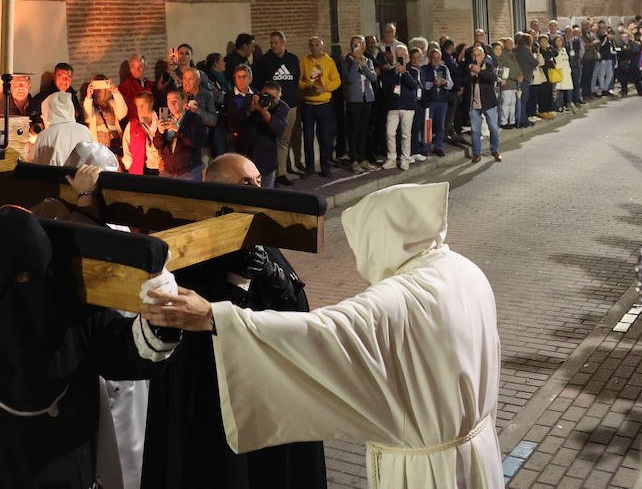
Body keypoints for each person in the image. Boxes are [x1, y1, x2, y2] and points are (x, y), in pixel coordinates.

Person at [141, 181, 501, 488]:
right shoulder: (460, 269)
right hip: (476, 450)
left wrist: (214, 317)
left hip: (429, 472)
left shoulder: (402, 296)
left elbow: (325, 334)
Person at [0, 206, 179, 489]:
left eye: (40, 274)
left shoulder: (67, 319)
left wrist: (160, 315)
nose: (31, 286)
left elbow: (125, 351)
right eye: (19, 276)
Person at [139, 155, 324, 489]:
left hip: (266, 386)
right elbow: (195, 324)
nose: (258, 189)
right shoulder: (188, 242)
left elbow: (295, 304)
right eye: (245, 183)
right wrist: (235, 283)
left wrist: (271, 273)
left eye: (257, 181)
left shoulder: (259, 231)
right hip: (212, 393)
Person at [253, 32, 303, 180]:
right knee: (277, 139)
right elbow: (259, 84)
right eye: (271, 43)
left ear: (283, 43)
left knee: (286, 139)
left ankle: (284, 169)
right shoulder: (265, 61)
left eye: (276, 42)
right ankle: (278, 173)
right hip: (273, 107)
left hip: (291, 105)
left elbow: (295, 80)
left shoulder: (292, 59)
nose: (273, 45)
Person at [297, 37, 341, 178]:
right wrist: (306, 87)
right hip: (308, 106)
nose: (314, 47)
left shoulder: (329, 62)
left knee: (325, 137)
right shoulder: (304, 61)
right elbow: (298, 80)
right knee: (308, 138)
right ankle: (310, 167)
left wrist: (325, 88)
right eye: (312, 45)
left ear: (322, 46)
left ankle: (325, 166)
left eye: (317, 45)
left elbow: (337, 81)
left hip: (324, 106)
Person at [342, 36, 379, 171]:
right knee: (354, 131)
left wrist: (363, 65)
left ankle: (363, 159)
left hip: (367, 99)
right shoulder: (347, 62)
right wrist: (357, 63)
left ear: (363, 46)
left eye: (359, 45)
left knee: (364, 131)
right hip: (354, 100)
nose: (356, 47)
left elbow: (373, 77)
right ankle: (354, 160)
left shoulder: (368, 61)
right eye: (354, 45)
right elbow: (350, 79)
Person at [154, 89, 208, 181]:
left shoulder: (194, 118)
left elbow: (198, 142)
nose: (171, 103)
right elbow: (157, 145)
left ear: (184, 102)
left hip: (189, 171)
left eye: (175, 100)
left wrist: (178, 129)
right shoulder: (165, 119)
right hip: (168, 171)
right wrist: (160, 132)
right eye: (169, 101)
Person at [381, 44, 419, 170]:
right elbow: (386, 88)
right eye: (398, 56)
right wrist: (396, 73)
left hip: (408, 106)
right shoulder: (389, 72)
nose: (400, 57)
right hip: (393, 106)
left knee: (405, 134)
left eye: (403, 55)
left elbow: (414, 86)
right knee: (390, 132)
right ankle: (391, 158)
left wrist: (405, 73)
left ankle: (405, 158)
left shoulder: (413, 71)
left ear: (407, 56)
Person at [30, 91, 94, 166]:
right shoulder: (85, 130)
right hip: (82, 176)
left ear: (47, 112)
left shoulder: (46, 135)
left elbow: (36, 163)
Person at [248, 82, 292, 187]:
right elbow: (239, 122)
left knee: (266, 195)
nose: (269, 100)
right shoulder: (253, 101)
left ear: (279, 97)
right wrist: (250, 109)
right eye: (265, 95)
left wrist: (263, 112)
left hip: (267, 159)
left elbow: (279, 128)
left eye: (273, 97)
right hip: (249, 156)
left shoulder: (282, 107)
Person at [462, 44, 501, 163]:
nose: (476, 57)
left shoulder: (488, 66)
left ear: (483, 56)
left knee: (493, 128)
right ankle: (476, 154)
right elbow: (461, 81)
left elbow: (492, 78)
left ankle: (495, 150)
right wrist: (470, 74)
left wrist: (480, 72)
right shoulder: (467, 67)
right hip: (474, 103)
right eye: (474, 55)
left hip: (489, 102)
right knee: (475, 130)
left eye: (478, 55)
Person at [84, 75, 128, 159]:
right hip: (98, 146)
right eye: (97, 89)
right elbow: (87, 117)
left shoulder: (111, 103)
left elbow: (123, 113)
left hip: (114, 145)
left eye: (102, 88)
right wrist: (88, 97)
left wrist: (116, 93)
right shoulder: (90, 104)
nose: (100, 92)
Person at [421, 46, 454, 156]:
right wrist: (432, 83)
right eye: (433, 58)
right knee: (428, 125)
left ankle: (438, 146)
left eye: (438, 58)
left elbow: (451, 84)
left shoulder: (444, 68)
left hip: (442, 101)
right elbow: (422, 84)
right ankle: (426, 146)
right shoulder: (425, 69)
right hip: (430, 101)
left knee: (440, 125)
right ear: (430, 58)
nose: (436, 60)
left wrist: (445, 83)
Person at [122, 92, 162, 175]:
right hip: (142, 169)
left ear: (151, 103)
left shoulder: (162, 121)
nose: (140, 108)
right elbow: (126, 149)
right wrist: (130, 167)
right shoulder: (132, 125)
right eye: (138, 106)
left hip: (162, 167)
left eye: (143, 105)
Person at [119, 56, 150, 122]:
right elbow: (131, 110)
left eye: (140, 66)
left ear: (145, 68)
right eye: (133, 67)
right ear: (130, 69)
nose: (137, 70)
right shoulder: (125, 86)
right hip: (136, 123)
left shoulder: (148, 83)